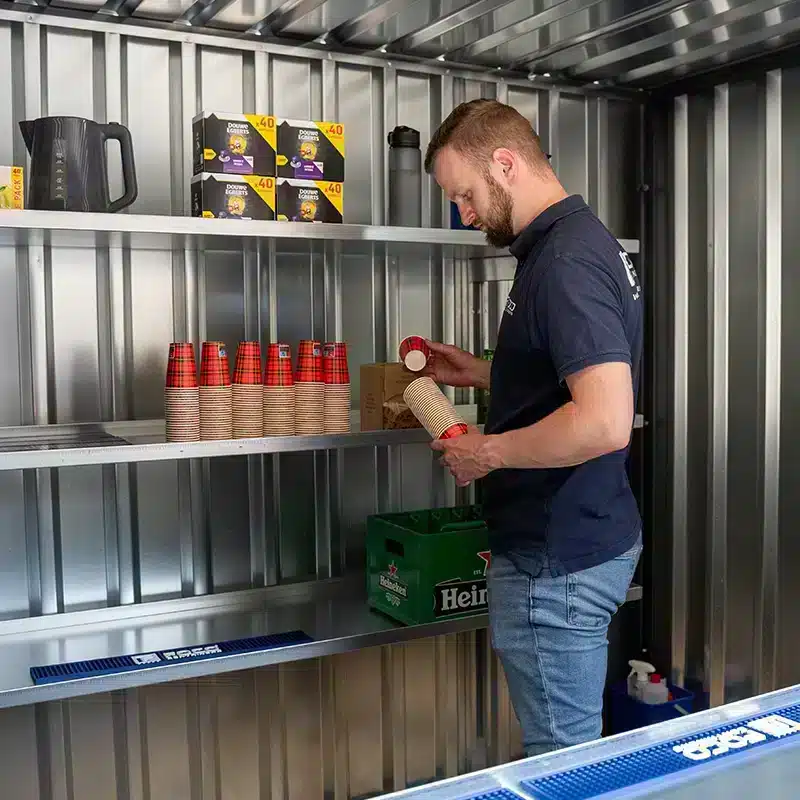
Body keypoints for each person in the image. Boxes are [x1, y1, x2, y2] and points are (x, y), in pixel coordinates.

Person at [421, 99, 643, 757]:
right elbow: (571, 377)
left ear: (505, 163)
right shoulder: (575, 244)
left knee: (564, 765)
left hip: (555, 563)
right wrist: (486, 374)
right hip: (581, 537)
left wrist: (486, 453)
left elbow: (604, 420)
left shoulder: (566, 262)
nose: (464, 214)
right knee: (571, 754)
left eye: (465, 195)